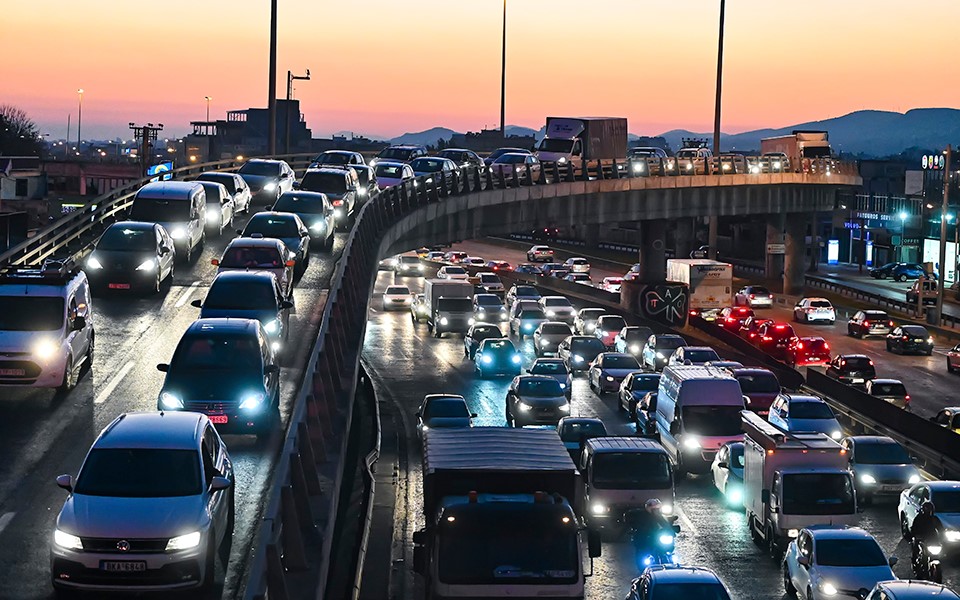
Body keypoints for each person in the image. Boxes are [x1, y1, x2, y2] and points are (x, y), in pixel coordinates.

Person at [911, 501, 944, 576]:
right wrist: (916, 535)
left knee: (939, 551)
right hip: (921, 539)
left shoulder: (935, 519)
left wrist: (943, 537)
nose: (928, 511)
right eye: (926, 509)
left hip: (932, 539)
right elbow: (913, 528)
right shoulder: (919, 518)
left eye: (929, 509)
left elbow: (940, 529)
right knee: (916, 548)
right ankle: (915, 563)